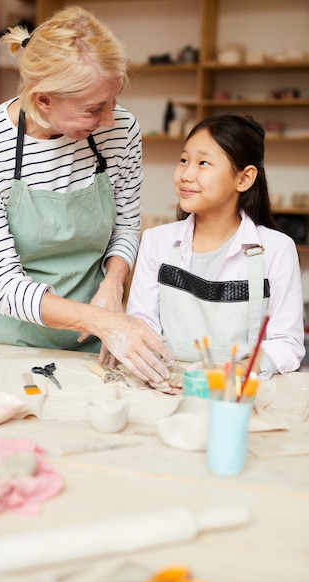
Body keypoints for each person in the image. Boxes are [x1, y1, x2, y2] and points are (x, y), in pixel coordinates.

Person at [0, 5, 171, 384]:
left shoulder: (120, 131)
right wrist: (102, 319)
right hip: (5, 338)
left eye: (113, 100)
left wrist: (112, 285)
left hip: (92, 335)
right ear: (43, 100)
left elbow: (126, 223)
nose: (110, 119)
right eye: (93, 109)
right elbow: (4, 286)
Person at [127, 113, 305, 387]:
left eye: (203, 163)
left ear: (244, 179)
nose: (186, 174)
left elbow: (287, 344)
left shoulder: (276, 249)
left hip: (239, 392)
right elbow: (142, 326)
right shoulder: (156, 241)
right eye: (184, 160)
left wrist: (237, 370)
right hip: (167, 386)